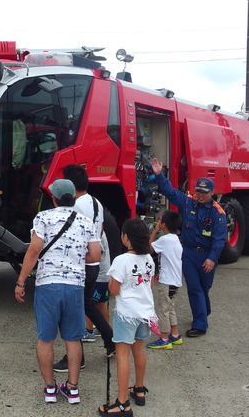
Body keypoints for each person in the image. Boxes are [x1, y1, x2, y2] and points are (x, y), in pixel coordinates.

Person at [14, 179, 101, 404]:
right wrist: (75, 258)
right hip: (74, 286)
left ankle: (50, 389)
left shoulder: (43, 218)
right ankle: (72, 389)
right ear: (72, 197)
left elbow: (34, 250)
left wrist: (21, 281)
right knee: (72, 339)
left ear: (53, 198)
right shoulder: (85, 221)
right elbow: (95, 256)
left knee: (46, 339)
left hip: (48, 286)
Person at [150, 158, 227, 337]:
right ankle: (200, 324)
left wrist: (212, 258)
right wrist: (159, 175)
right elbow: (170, 192)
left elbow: (219, 239)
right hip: (189, 254)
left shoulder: (218, 213)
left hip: (207, 254)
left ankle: (203, 313)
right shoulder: (188, 202)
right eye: (198, 191)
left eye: (204, 193)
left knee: (204, 288)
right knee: (194, 288)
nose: (200, 195)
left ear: (212, 193)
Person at [53, 165, 115, 375]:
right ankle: (110, 340)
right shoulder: (95, 202)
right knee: (87, 307)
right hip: (94, 263)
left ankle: (76, 358)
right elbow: (101, 230)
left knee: (73, 311)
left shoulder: (75, 205)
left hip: (79, 264)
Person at [98, 219, 156, 416]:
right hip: (145, 312)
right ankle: (139, 389)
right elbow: (150, 285)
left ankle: (122, 403)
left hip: (127, 314)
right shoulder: (149, 258)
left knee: (122, 354)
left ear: (126, 237)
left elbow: (114, 290)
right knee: (138, 349)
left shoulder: (122, 260)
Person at [147, 209, 183, 350]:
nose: (158, 222)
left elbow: (148, 248)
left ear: (164, 224)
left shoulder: (164, 240)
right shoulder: (175, 239)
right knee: (170, 307)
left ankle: (164, 338)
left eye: (160, 220)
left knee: (163, 310)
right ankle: (175, 334)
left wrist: (154, 231)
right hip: (175, 279)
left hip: (166, 282)